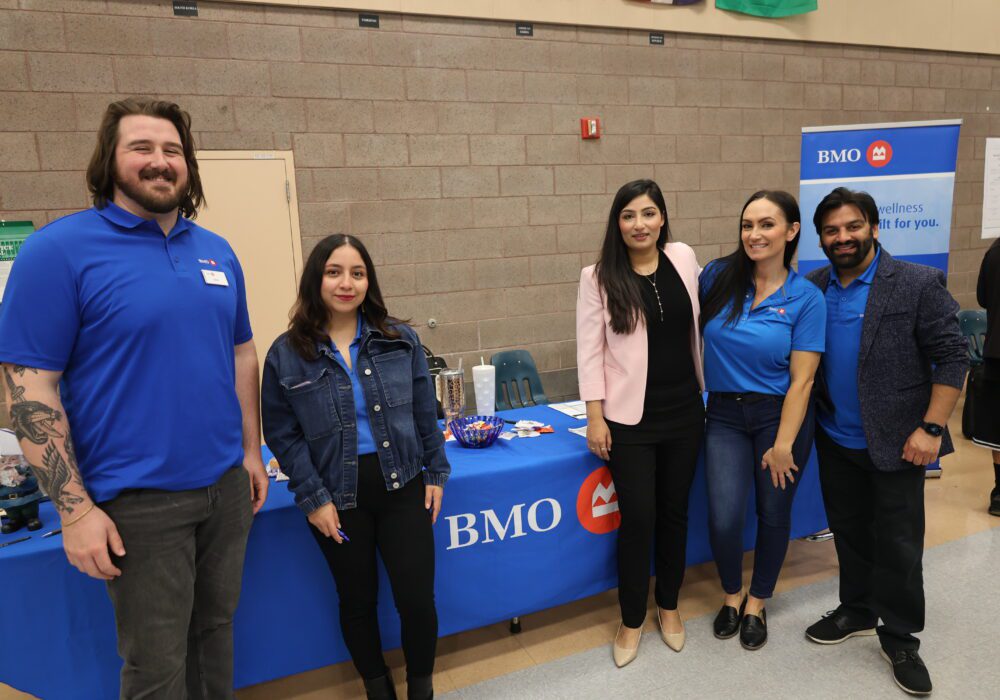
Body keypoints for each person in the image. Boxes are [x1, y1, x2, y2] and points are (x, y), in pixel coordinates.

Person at [0, 98, 268, 698]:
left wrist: (251, 451)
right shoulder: (59, 252)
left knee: (216, 635)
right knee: (157, 666)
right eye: (141, 148)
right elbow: (27, 387)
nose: (159, 161)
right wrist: (73, 510)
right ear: (109, 160)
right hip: (137, 503)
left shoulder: (216, 250)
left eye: (172, 150)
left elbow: (241, 353)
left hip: (224, 488)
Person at [261, 234, 448, 700]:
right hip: (336, 501)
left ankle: (420, 690)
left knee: (416, 601)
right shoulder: (286, 354)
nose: (347, 283)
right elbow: (283, 435)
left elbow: (427, 412)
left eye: (357, 273)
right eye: (334, 272)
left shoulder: (399, 340)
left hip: (403, 486)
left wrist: (436, 473)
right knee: (358, 603)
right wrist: (313, 498)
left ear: (369, 281)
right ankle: (378, 689)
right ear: (316, 279)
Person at [803, 187, 968, 697]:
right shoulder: (813, 286)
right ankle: (856, 607)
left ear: (874, 227)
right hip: (835, 438)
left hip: (901, 441)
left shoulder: (916, 283)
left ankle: (899, 637)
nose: (842, 237)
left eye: (852, 226)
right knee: (850, 531)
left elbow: (954, 356)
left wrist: (932, 429)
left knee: (898, 541)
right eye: (831, 231)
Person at [576, 179, 705, 667]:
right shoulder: (598, 277)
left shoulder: (684, 257)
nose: (639, 224)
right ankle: (631, 618)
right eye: (629, 215)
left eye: (648, 213)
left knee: (675, 515)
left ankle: (668, 606)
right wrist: (595, 418)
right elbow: (589, 353)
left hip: (687, 411)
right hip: (629, 420)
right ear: (617, 223)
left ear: (663, 218)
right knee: (639, 521)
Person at [699, 190, 825, 651]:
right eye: (747, 224)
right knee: (724, 515)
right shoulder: (717, 277)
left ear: (791, 231)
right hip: (725, 413)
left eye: (767, 224)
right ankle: (731, 594)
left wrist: (784, 443)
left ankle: (757, 601)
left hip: (780, 415)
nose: (754, 234)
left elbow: (803, 380)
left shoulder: (806, 297)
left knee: (773, 514)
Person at [972, 237, 1000, 516]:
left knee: (997, 428)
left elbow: (981, 297)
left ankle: (999, 493)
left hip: (995, 353)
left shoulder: (993, 252)